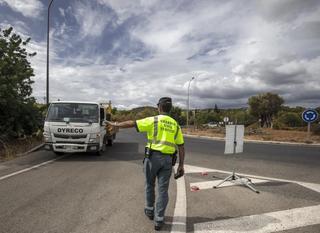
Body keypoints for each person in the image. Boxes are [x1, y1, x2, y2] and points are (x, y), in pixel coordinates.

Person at [106, 97, 185, 231]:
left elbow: (132, 123)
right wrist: (181, 165)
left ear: (159, 107)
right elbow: (181, 146)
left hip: (152, 158)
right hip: (167, 161)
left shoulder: (153, 120)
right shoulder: (175, 125)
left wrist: (116, 124)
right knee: (163, 190)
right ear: (170, 108)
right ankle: (159, 220)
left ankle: (149, 211)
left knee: (149, 184)